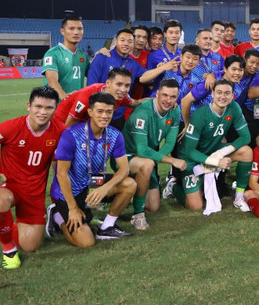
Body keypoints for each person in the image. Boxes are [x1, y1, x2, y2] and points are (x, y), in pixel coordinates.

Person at [0, 87, 64, 269]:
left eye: (49, 108)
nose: (43, 112)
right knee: (1, 200)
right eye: (38, 106)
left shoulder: (60, 131)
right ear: (28, 106)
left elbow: (63, 162)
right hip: (7, 187)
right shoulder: (11, 127)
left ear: (55, 109)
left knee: (31, 246)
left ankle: (2, 226)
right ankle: (8, 250)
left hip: (34, 193)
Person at [48, 93, 137, 247]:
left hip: (93, 183)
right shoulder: (71, 135)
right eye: (100, 111)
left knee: (130, 184)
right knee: (86, 242)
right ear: (90, 112)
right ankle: (57, 216)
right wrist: (73, 208)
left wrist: (104, 188)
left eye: (109, 112)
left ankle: (107, 227)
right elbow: (61, 174)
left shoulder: (115, 135)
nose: (105, 116)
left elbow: (124, 169)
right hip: (70, 191)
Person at [175, 80, 253, 213]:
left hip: (214, 151)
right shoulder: (200, 115)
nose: (223, 96)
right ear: (212, 94)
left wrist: (222, 152)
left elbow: (246, 137)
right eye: (219, 92)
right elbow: (189, 151)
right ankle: (173, 187)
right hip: (192, 159)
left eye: (227, 93)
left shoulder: (234, 107)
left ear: (233, 95)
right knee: (196, 206)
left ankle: (239, 198)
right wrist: (216, 161)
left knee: (246, 152)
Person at [123, 79, 186, 230]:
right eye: (164, 95)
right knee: (147, 164)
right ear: (157, 94)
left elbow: (170, 143)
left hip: (147, 159)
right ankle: (138, 215)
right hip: (127, 158)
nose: (168, 100)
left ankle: (132, 192)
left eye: (172, 97)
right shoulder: (143, 112)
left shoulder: (175, 110)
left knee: (154, 206)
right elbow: (142, 150)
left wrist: (156, 159)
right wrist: (171, 161)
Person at [86, 28, 146, 123]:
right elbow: (90, 87)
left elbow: (148, 75)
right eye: (122, 40)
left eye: (130, 41)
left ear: (133, 44)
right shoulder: (102, 57)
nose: (126, 43)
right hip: (100, 115)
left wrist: (163, 68)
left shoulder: (134, 65)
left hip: (118, 117)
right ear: (115, 41)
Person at [53, 68, 143, 127]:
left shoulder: (121, 96)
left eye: (127, 85)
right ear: (108, 83)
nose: (123, 90)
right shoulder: (88, 95)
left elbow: (136, 103)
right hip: (61, 122)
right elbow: (70, 123)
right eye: (119, 84)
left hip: (84, 125)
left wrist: (156, 99)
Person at [42, 14, 88, 99]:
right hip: (57, 106)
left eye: (80, 29)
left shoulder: (83, 55)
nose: (76, 32)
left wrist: (100, 54)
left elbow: (95, 74)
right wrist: (64, 96)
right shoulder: (52, 53)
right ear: (62, 31)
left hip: (76, 107)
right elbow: (52, 80)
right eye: (71, 28)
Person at [146, 19, 183, 94]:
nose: (174, 35)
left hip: (178, 95)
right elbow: (147, 80)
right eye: (171, 32)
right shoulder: (154, 55)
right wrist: (159, 70)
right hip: (158, 95)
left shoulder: (183, 55)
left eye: (177, 33)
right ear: (165, 34)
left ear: (180, 34)